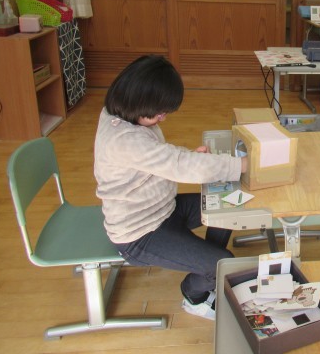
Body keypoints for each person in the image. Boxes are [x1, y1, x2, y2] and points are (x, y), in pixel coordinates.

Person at [94, 55, 248, 320]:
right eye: (159, 112)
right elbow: (175, 164)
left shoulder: (121, 113)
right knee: (224, 264)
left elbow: (159, 159)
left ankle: (205, 265)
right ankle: (194, 295)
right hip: (140, 232)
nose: (163, 117)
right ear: (138, 99)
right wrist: (242, 165)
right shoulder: (124, 139)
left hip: (164, 207)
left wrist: (189, 158)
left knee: (229, 203)